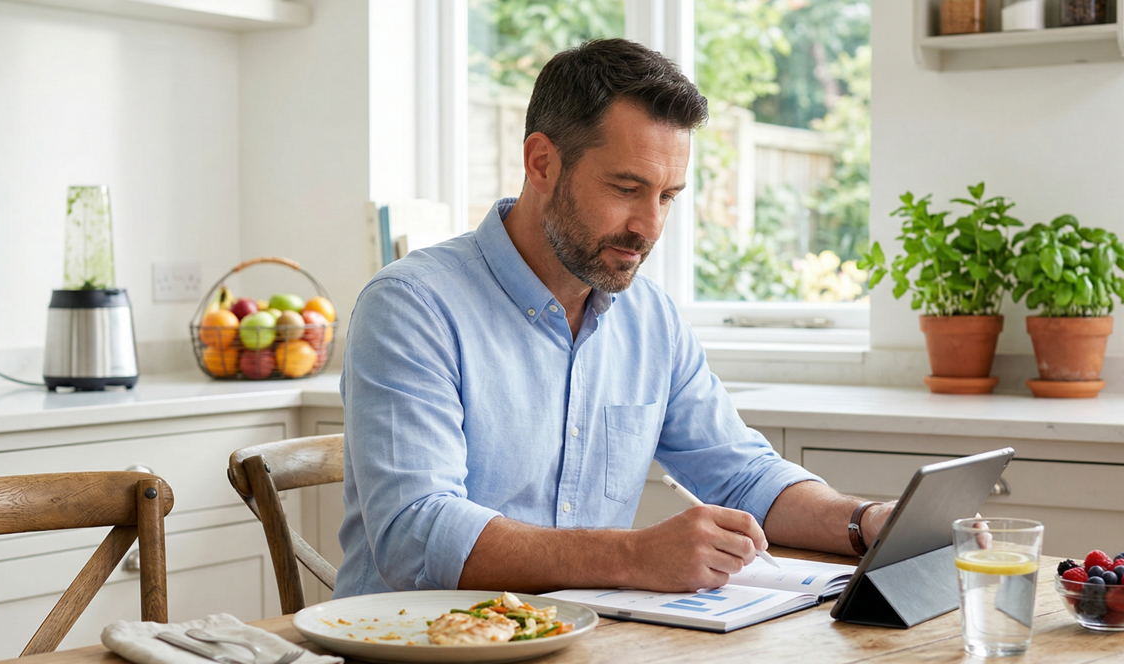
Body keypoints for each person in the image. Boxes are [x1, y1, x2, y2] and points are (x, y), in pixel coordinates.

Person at [335, 37, 893, 598]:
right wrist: (634, 556)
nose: (649, 226)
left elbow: (743, 476)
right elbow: (414, 535)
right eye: (627, 188)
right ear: (542, 163)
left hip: (585, 652)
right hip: (414, 657)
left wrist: (865, 521)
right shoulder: (411, 306)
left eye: (668, 196)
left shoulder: (649, 319)